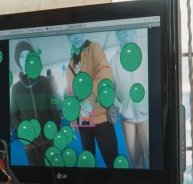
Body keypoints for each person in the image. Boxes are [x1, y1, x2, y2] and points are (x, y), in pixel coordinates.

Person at [65, 32, 119, 167]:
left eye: (77, 32)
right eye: (71, 35)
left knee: (111, 158)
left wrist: (88, 94)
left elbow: (105, 73)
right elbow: (71, 93)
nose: (75, 36)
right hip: (83, 119)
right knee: (87, 160)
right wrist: (73, 119)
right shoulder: (70, 65)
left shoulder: (94, 48)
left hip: (100, 115)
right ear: (69, 38)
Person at [8, 39, 61, 166]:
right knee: (36, 176)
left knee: (54, 172)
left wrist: (56, 130)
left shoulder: (45, 82)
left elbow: (53, 108)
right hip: (31, 145)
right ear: (18, 61)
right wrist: (22, 129)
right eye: (21, 56)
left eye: (28, 55)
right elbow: (13, 115)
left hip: (49, 139)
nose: (25, 59)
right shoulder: (15, 89)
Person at [110, 29, 150, 169]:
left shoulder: (146, 50)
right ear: (116, 34)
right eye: (120, 30)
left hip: (148, 115)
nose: (125, 31)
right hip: (126, 117)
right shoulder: (114, 60)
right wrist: (120, 108)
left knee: (153, 157)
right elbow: (110, 90)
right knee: (134, 160)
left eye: (128, 28)